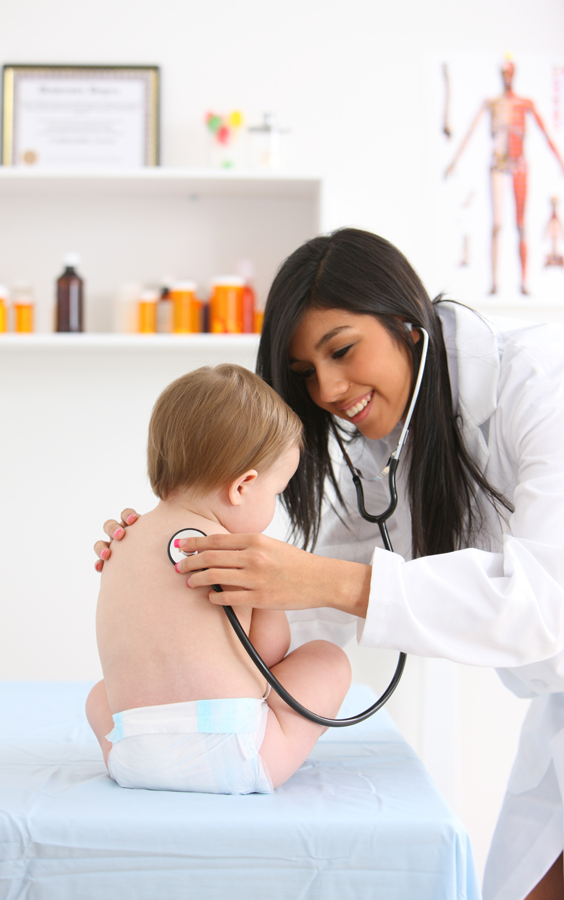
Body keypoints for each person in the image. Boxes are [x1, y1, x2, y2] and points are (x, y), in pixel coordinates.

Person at [95, 228, 564, 900]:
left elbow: (548, 604)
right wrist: (171, 598)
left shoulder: (543, 381)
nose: (330, 388)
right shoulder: (382, 447)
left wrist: (321, 583)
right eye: (306, 373)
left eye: (341, 350)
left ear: (408, 321)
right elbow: (308, 625)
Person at [87, 363, 351, 795]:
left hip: (132, 757)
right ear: (242, 486)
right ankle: (275, 747)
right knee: (327, 660)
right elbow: (267, 654)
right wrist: (268, 598)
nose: (275, 503)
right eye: (277, 492)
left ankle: (141, 756)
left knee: (101, 695)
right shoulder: (237, 552)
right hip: (234, 756)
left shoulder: (121, 538)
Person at [445, 58, 564, 295]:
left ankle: (523, 283)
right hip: (497, 166)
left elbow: (544, 132)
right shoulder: (492, 103)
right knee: (497, 225)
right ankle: (495, 283)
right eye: (503, 72)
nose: (507, 76)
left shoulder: (524, 103)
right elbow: (470, 132)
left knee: (520, 225)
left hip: (519, 165)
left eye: (509, 72)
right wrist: (454, 162)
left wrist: (560, 162)